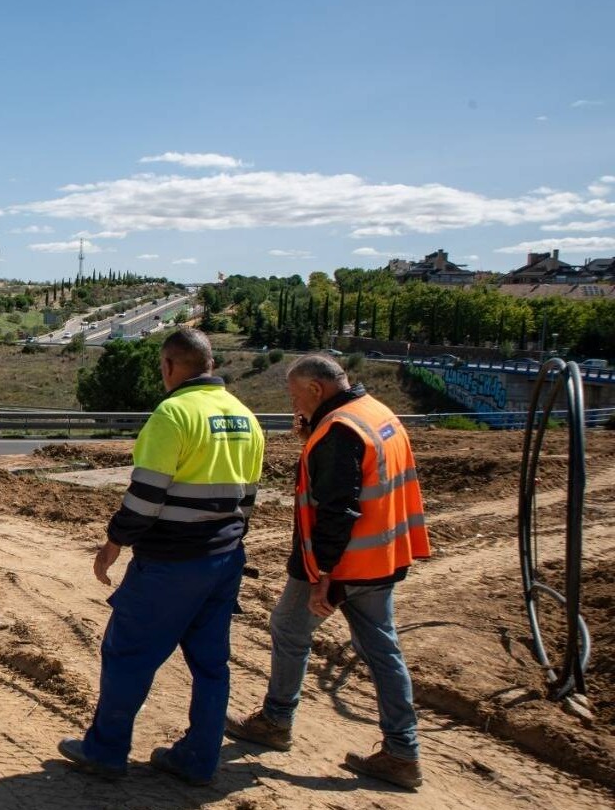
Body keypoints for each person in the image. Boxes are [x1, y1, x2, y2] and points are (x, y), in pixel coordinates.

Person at [59, 327, 264, 786]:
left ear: (169, 366)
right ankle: (197, 759)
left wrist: (114, 542)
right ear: (209, 364)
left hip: (171, 563)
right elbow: (248, 498)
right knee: (211, 665)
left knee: (127, 653)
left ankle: (106, 751)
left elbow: (146, 497)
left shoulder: (172, 416)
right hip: (225, 557)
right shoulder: (244, 416)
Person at [226, 353, 431, 791]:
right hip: (384, 556)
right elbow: (355, 479)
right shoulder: (374, 412)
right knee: (381, 648)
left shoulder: (340, 432)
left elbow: (338, 508)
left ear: (316, 390)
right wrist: (310, 440)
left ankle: (276, 721)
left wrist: (324, 576)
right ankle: (402, 751)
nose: (293, 404)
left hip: (344, 563)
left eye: (295, 395)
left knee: (288, 626)